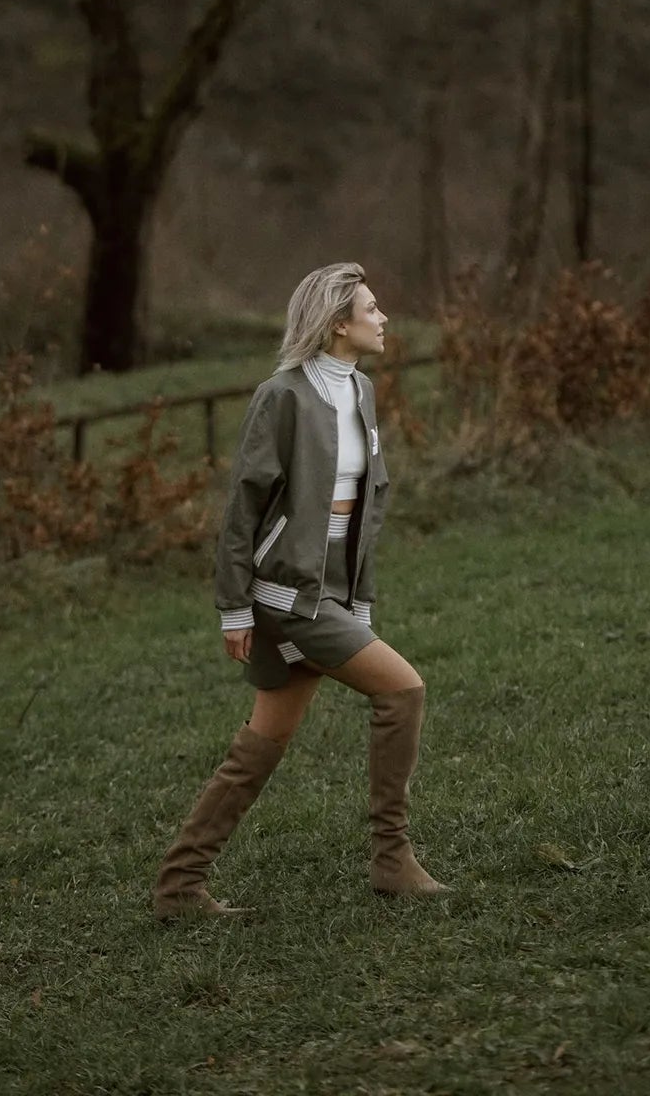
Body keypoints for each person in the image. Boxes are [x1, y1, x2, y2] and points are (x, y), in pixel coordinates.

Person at [152, 261, 448, 917]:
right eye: (371, 308)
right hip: (285, 600)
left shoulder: (362, 391)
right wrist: (234, 607)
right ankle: (391, 858)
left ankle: (178, 886)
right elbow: (243, 506)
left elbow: (365, 504)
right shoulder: (281, 396)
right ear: (339, 323)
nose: (383, 317)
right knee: (402, 690)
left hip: (330, 597)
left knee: (261, 744)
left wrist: (358, 601)